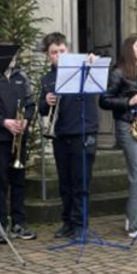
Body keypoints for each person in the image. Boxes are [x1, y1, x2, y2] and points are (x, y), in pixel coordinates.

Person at [37, 32, 99, 239]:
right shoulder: (47, 79)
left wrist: (93, 66)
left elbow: (102, 91)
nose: (59, 55)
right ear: (48, 56)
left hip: (84, 131)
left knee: (81, 182)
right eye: (54, 53)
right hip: (61, 134)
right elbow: (42, 110)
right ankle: (68, 223)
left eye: (62, 51)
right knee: (65, 183)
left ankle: (81, 224)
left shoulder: (85, 69)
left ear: (68, 51)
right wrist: (46, 100)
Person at [100, 35, 137, 240]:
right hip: (126, 126)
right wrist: (129, 101)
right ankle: (135, 226)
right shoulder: (118, 73)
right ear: (129, 49)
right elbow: (104, 100)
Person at [0, 48, 37, 243]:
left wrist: (26, 121)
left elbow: (30, 105)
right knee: (0, 182)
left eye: (13, 56)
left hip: (20, 136)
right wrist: (4, 122)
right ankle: (0, 226)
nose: (11, 60)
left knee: (19, 181)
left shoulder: (21, 77)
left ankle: (19, 223)